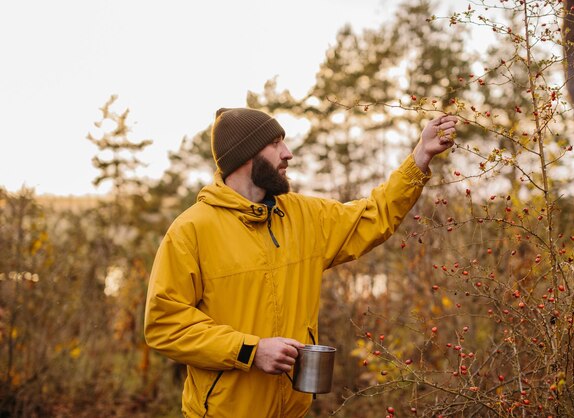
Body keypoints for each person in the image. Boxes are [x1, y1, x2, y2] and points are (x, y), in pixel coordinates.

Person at [144, 107, 458, 418]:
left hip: (292, 411)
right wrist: (250, 351)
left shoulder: (302, 216)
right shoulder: (191, 231)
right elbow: (165, 324)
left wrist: (419, 158)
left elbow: (372, 216)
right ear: (246, 155)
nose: (288, 153)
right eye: (276, 143)